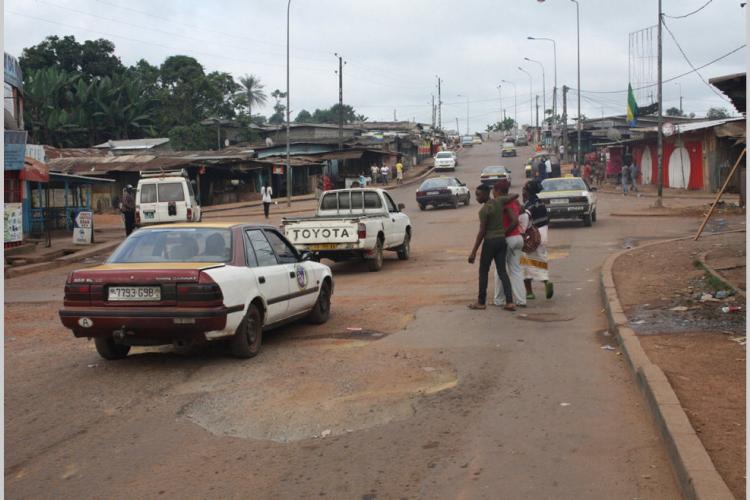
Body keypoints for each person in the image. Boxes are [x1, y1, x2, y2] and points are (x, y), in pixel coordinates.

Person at [467, 184, 516, 311]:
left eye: (478, 195)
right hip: (501, 241)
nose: (476, 198)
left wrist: (473, 252)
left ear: (485, 194)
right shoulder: (499, 201)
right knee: (502, 271)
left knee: (483, 271)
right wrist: (506, 198)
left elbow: (482, 232)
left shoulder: (484, 211)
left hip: (490, 242)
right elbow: (515, 195)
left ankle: (481, 302)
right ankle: (510, 302)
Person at [493, 179, 526, 308]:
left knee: (499, 270)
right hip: (518, 238)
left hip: (508, 239)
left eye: (494, 190)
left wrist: (503, 233)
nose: (493, 193)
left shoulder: (502, 204)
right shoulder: (515, 202)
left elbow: (514, 221)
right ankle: (521, 300)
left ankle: (499, 300)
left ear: (499, 191)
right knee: (516, 270)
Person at [519, 180, 554, 300]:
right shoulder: (540, 203)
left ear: (527, 191)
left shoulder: (529, 205)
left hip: (532, 237)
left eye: (524, 189)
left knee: (525, 263)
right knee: (541, 260)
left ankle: (529, 292)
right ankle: (546, 281)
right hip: (543, 235)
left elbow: (525, 221)